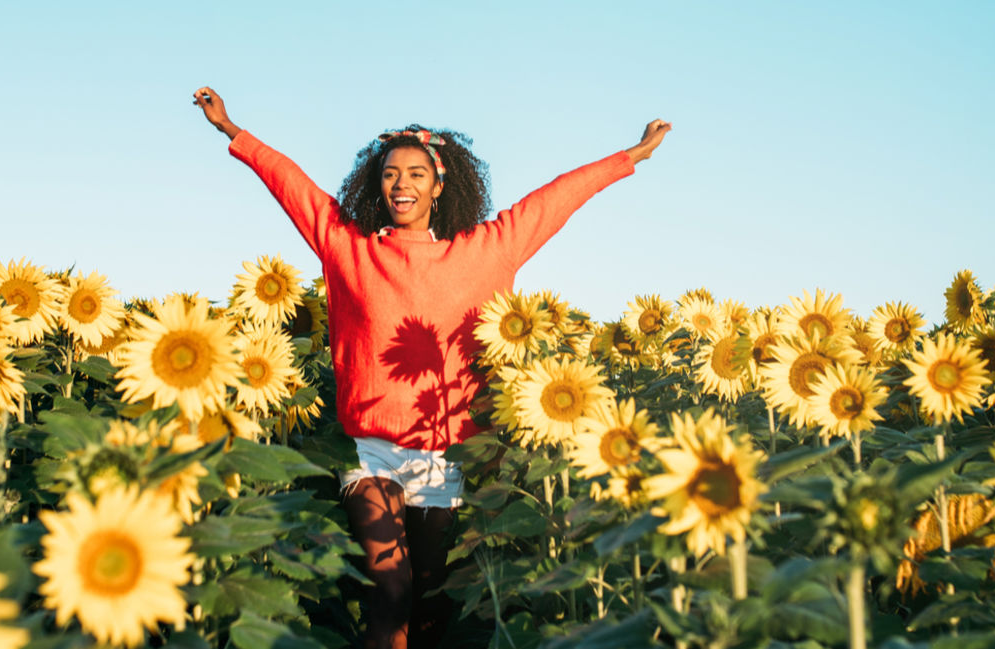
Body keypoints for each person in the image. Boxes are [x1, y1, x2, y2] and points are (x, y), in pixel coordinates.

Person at [194, 86, 670, 649]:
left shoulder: (485, 250)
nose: (402, 185)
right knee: (389, 588)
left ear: (440, 187)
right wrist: (233, 130)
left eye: (417, 174)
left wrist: (630, 157)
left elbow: (554, 200)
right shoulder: (348, 248)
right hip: (374, 452)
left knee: (429, 598)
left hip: (446, 455)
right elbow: (292, 186)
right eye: (391, 174)